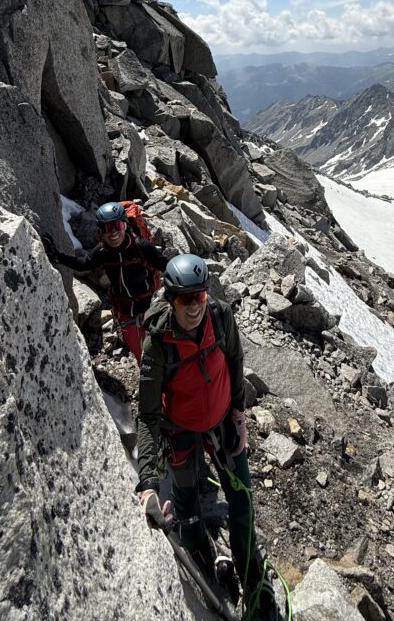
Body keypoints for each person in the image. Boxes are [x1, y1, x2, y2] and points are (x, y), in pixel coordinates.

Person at [135, 254, 279, 621]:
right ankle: (200, 548)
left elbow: (234, 358)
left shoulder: (220, 315)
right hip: (180, 427)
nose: (194, 305)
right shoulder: (158, 344)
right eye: (185, 299)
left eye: (199, 296)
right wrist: (149, 482)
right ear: (170, 298)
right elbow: (149, 415)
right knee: (185, 504)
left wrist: (239, 414)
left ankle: (253, 580)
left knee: (242, 502)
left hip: (220, 422)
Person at [43, 202, 168, 364]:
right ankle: (149, 385)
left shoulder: (141, 247)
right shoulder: (103, 252)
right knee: (141, 356)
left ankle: (165, 386)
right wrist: (57, 256)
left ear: (125, 225)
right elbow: (84, 264)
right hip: (124, 313)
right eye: (107, 228)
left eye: (117, 225)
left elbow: (166, 265)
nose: (113, 232)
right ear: (100, 232)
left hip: (149, 309)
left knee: (159, 353)